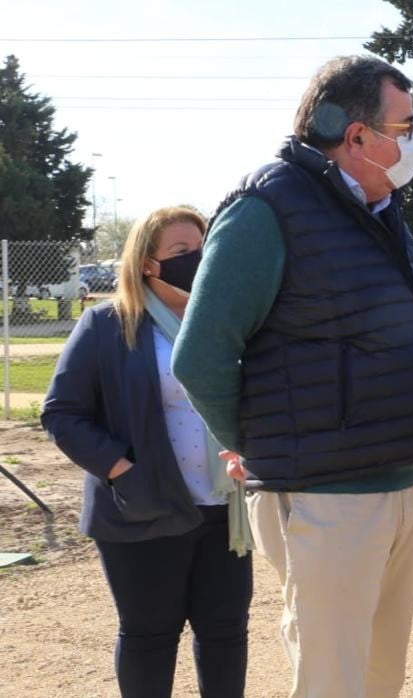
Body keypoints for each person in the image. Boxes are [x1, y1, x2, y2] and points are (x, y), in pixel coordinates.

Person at [171, 56, 413, 698]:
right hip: (325, 495)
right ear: (356, 136)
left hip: (397, 480)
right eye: (405, 125)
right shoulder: (268, 208)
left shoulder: (379, 207)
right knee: (334, 680)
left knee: (379, 674)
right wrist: (256, 445)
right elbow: (201, 355)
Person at [42, 206, 252, 698]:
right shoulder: (107, 326)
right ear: (146, 264)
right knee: (150, 636)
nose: (196, 260)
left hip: (225, 510)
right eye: (181, 252)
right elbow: (61, 413)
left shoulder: (224, 325)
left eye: (202, 249)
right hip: (141, 509)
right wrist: (121, 470)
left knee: (225, 634)